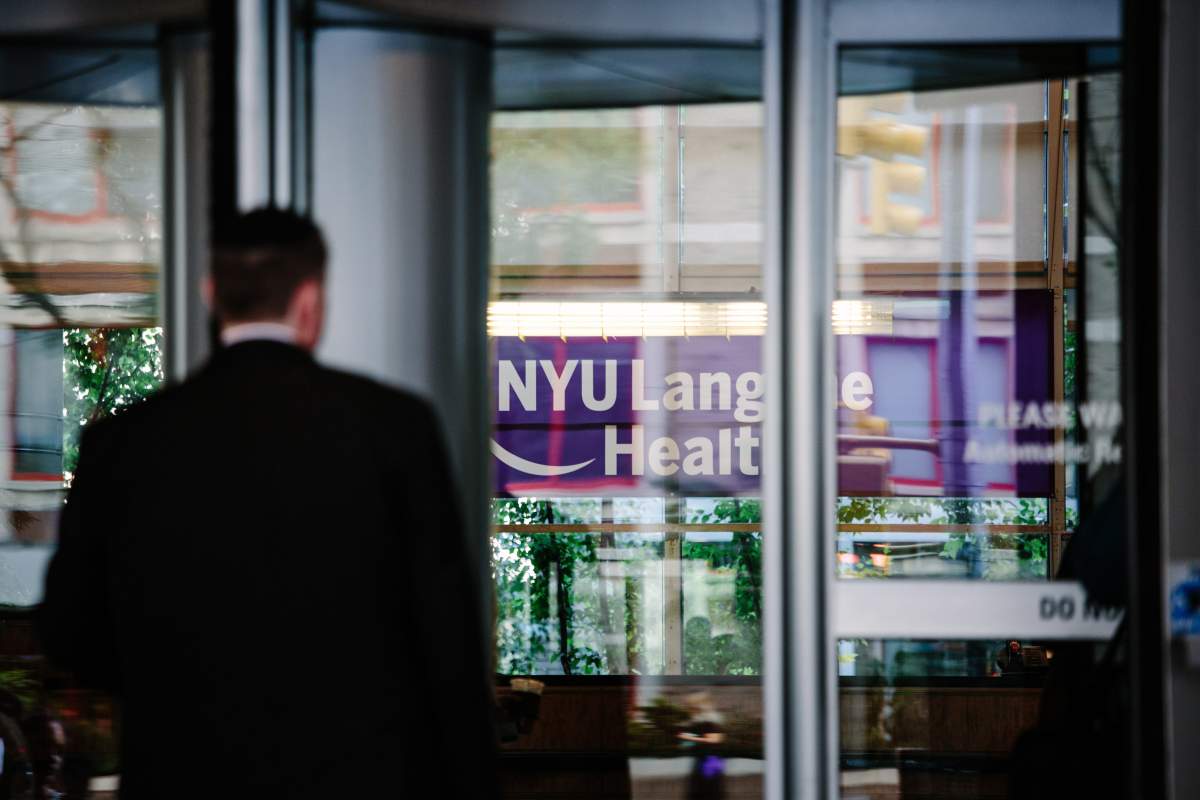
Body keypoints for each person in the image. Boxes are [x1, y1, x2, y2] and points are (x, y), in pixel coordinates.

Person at [37, 208, 498, 798]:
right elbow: (449, 647)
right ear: (310, 300)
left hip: (183, 774)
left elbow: (70, 632)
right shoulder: (396, 428)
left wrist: (169, 681)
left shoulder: (122, 444)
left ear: (210, 293)